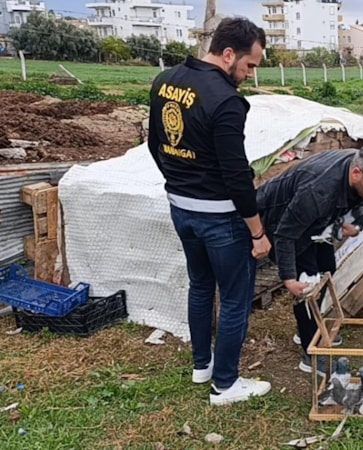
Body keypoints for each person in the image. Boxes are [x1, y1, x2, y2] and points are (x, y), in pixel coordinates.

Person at [147, 17, 272, 406]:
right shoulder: (226, 100)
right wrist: (257, 232)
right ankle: (225, 384)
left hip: (181, 208)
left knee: (200, 285)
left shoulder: (165, 80)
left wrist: (180, 181)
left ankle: (202, 365)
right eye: (249, 65)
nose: (250, 75)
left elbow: (155, 144)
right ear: (229, 54)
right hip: (221, 217)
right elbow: (237, 175)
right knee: (235, 298)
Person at [256, 142, 363, 374]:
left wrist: (357, 223)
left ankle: (308, 328)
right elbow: (285, 234)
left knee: (326, 268)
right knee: (308, 281)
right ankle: (310, 352)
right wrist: (289, 278)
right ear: (356, 173)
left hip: (317, 221)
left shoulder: (361, 168)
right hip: (279, 218)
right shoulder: (319, 190)